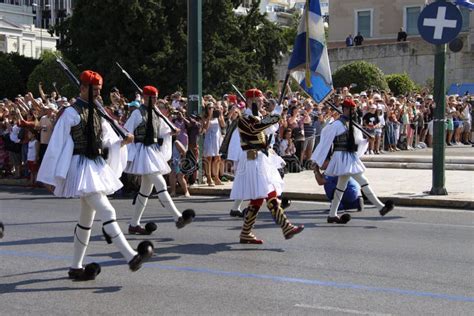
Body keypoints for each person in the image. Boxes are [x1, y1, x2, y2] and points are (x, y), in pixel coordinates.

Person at [37, 70, 154, 281]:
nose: (98, 95)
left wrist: (123, 140)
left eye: (100, 91)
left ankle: (75, 267)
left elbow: (108, 137)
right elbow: (56, 145)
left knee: (86, 219)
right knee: (107, 211)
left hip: (96, 165)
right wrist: (48, 176)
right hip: (80, 168)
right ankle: (131, 256)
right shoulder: (71, 113)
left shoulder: (99, 111)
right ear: (82, 88)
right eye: (95, 91)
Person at [230, 88, 304, 244]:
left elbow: (269, 129)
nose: (263, 102)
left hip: (261, 160)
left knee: (258, 199)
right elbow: (255, 128)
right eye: (260, 100)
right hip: (252, 160)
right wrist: (274, 115)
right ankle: (286, 226)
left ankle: (245, 233)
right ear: (252, 101)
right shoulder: (244, 118)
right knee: (269, 194)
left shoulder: (257, 116)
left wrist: (277, 114)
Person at [124, 85, 195, 235]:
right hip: (143, 152)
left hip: (153, 151)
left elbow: (161, 131)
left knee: (145, 190)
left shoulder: (156, 112)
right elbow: (126, 131)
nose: (155, 100)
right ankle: (177, 217)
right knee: (161, 184)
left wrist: (171, 131)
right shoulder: (137, 113)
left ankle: (133, 224)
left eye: (156, 97)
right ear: (144, 97)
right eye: (152, 97)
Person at [311, 99, 394, 224]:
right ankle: (380, 207)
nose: (353, 112)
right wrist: (317, 161)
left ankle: (332, 214)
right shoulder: (337, 124)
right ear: (344, 109)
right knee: (363, 181)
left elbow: (357, 141)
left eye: (353, 110)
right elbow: (325, 140)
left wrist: (367, 139)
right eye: (351, 109)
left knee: (341, 187)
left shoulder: (352, 124)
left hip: (349, 156)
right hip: (342, 156)